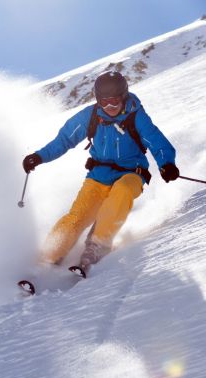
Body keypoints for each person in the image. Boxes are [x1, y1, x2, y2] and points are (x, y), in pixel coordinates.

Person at [22, 71, 179, 274]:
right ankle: (49, 255)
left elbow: (156, 141)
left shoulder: (136, 115)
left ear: (124, 96)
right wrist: (39, 156)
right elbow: (64, 139)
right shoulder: (91, 116)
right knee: (77, 216)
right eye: (104, 102)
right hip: (98, 175)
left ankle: (98, 245)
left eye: (114, 101)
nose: (110, 107)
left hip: (132, 173)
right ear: (98, 101)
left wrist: (167, 163)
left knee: (120, 193)